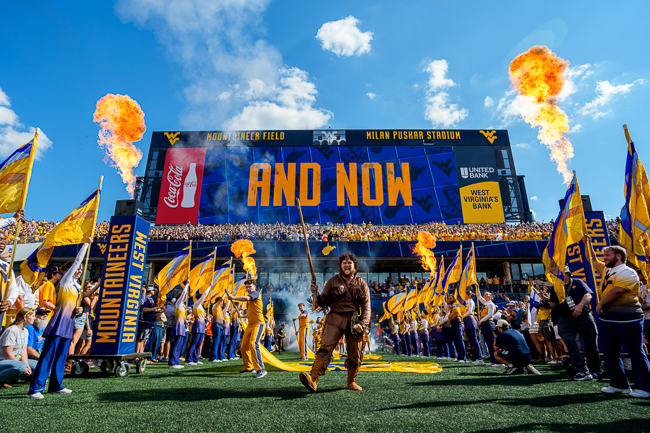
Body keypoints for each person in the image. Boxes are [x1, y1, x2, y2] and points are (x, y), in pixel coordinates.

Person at [585, 239, 650, 398]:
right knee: (610, 353)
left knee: (636, 352)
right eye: (604, 255)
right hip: (608, 320)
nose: (604, 258)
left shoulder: (628, 272)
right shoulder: (607, 269)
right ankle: (619, 384)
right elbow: (592, 260)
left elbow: (618, 290)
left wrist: (600, 304)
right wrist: (588, 244)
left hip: (628, 319)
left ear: (619, 256)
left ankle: (645, 387)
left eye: (607, 255)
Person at [28, 238, 92, 399]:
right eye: (77, 268)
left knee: (62, 356)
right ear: (69, 270)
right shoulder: (65, 280)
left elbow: (75, 306)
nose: (79, 270)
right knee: (48, 355)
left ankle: (56, 385)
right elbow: (77, 261)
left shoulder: (77, 286)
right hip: (58, 323)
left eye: (81, 269)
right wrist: (86, 244)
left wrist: (80, 309)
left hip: (69, 323)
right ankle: (35, 389)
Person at [299, 253, 370, 392]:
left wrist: (362, 324)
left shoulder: (361, 283)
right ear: (340, 265)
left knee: (355, 354)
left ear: (355, 265)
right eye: (344, 263)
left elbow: (367, 305)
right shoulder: (332, 281)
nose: (347, 265)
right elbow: (323, 301)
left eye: (349, 263)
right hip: (334, 319)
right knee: (325, 348)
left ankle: (351, 382)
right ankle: (313, 380)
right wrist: (315, 293)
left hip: (354, 321)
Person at [549, 266, 600, 381]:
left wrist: (580, 306)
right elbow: (553, 303)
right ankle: (582, 370)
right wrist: (546, 303)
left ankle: (594, 371)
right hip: (565, 320)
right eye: (557, 275)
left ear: (568, 274)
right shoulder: (555, 287)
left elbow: (588, 295)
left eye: (561, 274)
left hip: (584, 318)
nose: (559, 277)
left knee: (591, 345)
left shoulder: (578, 282)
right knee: (571, 345)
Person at [227, 280, 267, 379]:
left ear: (254, 287)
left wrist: (234, 297)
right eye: (247, 287)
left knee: (253, 344)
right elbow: (251, 312)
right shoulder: (251, 299)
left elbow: (246, 298)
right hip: (250, 325)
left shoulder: (256, 294)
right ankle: (249, 368)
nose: (248, 288)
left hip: (258, 324)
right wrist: (242, 315)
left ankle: (261, 369)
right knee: (244, 346)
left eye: (250, 286)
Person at [0, 308, 36, 388]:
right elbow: (7, 354)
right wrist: (23, 367)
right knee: (20, 367)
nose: (35, 318)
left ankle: (9, 378)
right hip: (3, 361)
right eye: (33, 316)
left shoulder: (25, 331)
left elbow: (23, 351)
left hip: (14, 361)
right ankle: (4, 379)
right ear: (25, 317)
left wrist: (27, 366)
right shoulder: (11, 330)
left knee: (39, 366)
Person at [187, 288, 210, 365]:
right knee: (194, 343)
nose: (204, 300)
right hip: (197, 326)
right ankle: (189, 359)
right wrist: (209, 286)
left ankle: (195, 359)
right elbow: (204, 295)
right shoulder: (196, 304)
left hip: (202, 326)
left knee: (199, 343)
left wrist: (206, 319)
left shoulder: (201, 307)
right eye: (203, 299)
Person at [477, 287, 499, 366]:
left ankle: (498, 361)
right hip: (484, 325)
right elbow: (479, 296)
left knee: (492, 343)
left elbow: (490, 315)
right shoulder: (486, 303)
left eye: (487, 294)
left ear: (491, 296)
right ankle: (492, 360)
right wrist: (477, 287)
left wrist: (480, 321)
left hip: (489, 324)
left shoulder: (491, 304)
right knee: (488, 344)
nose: (485, 295)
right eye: (484, 294)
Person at [169, 283, 189, 369]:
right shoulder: (178, 303)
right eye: (185, 296)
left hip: (182, 327)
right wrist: (187, 285)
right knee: (176, 344)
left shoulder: (183, 306)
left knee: (179, 345)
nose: (186, 298)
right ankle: (173, 363)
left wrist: (185, 320)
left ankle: (175, 361)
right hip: (178, 327)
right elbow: (184, 293)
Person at [136, 286, 158, 355]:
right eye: (154, 290)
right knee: (140, 339)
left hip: (150, 323)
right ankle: (136, 355)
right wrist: (155, 308)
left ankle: (140, 355)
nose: (155, 292)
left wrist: (159, 311)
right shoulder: (145, 298)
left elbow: (151, 311)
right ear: (150, 291)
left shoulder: (151, 299)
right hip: (145, 322)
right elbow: (144, 309)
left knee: (144, 340)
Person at [463, 291, 482, 364]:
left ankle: (479, 357)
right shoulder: (466, 302)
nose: (464, 296)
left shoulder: (471, 302)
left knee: (474, 340)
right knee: (471, 341)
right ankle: (474, 357)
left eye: (466, 295)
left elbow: (470, 311)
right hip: (467, 322)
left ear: (469, 295)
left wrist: (462, 316)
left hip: (470, 321)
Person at [209, 297, 225, 362]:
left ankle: (215, 356)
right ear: (218, 301)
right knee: (216, 341)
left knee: (217, 342)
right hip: (216, 326)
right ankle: (213, 357)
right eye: (222, 301)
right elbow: (221, 299)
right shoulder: (215, 306)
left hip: (220, 326)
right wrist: (225, 292)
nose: (222, 302)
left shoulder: (220, 309)